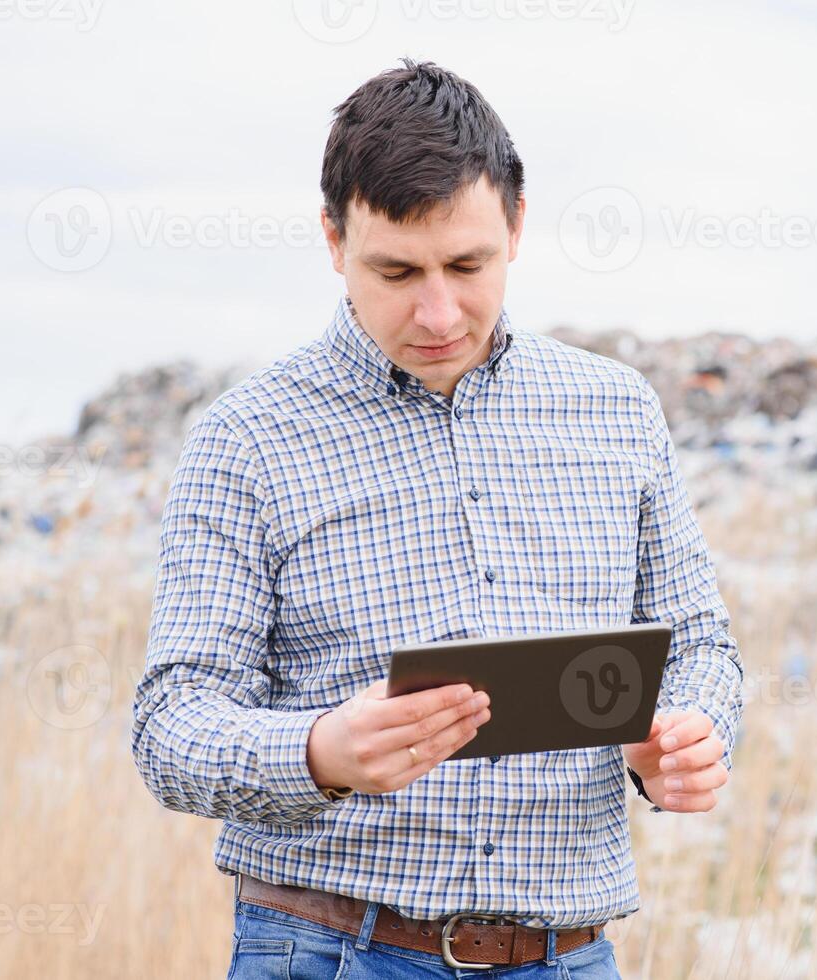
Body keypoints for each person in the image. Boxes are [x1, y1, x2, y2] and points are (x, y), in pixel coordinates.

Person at [130, 57, 744, 979]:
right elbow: (171, 723)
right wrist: (316, 752)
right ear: (334, 240)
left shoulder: (618, 410)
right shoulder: (245, 439)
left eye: (467, 264)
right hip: (327, 953)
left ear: (518, 227)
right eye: (396, 270)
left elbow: (701, 642)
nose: (438, 310)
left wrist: (689, 734)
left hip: (571, 956)